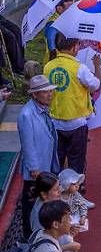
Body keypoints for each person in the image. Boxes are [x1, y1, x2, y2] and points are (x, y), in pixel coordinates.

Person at [44, 33, 101, 174]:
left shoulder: (48, 66)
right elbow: (96, 85)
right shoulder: (79, 68)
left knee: (56, 160)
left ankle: (55, 185)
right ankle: (76, 186)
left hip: (55, 120)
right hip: (76, 122)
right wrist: (97, 66)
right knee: (76, 161)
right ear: (75, 47)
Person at [17, 75, 59, 240]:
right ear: (35, 94)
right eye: (45, 92)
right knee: (31, 203)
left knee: (40, 202)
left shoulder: (42, 109)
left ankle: (40, 232)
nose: (50, 94)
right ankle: (29, 236)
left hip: (45, 163)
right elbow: (28, 146)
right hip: (36, 170)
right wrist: (35, 170)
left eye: (50, 91)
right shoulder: (26, 115)